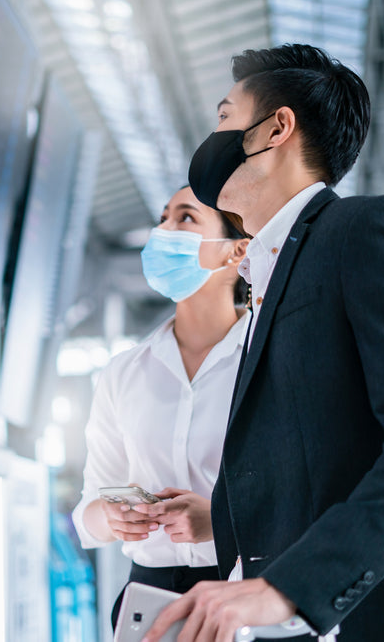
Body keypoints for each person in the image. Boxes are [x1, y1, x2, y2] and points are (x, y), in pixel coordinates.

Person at [141, 44, 384, 642]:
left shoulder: (367, 230)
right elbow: (321, 449)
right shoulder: (267, 279)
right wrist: (223, 521)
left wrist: (291, 587)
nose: (213, 136)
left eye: (225, 117)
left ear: (275, 128)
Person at [70, 185, 250, 629]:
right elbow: (88, 512)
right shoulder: (122, 373)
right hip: (147, 602)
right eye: (164, 218)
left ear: (236, 252)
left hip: (245, 594)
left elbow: (308, 501)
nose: (163, 231)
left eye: (186, 218)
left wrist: (221, 522)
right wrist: (112, 518)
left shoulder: (271, 362)